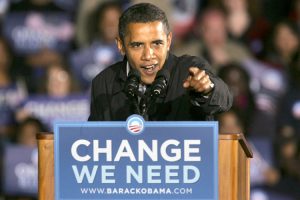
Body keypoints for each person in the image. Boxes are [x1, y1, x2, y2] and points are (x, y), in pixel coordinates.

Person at [88, 3, 232, 121]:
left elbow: (224, 100)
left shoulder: (189, 69)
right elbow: (94, 141)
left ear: (168, 41)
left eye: (156, 44)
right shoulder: (104, 83)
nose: (148, 55)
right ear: (121, 46)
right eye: (137, 45)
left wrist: (207, 90)